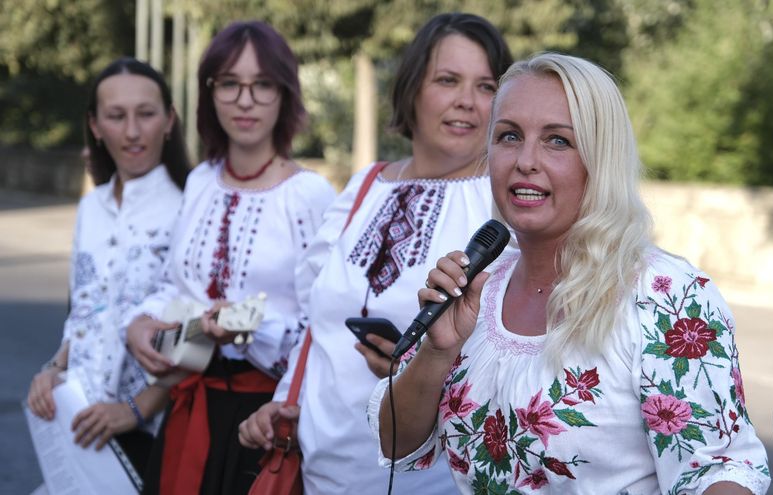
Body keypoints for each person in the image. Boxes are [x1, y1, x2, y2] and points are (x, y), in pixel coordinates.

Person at [370, 53, 772, 494]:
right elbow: (396, 444)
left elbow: (720, 472)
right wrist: (436, 352)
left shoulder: (666, 296)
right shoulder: (477, 288)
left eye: (558, 141)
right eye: (509, 136)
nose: (526, 160)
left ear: (600, 158)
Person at [238, 12, 513, 494]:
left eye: (486, 86)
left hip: (430, 481)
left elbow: (519, 356)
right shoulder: (365, 185)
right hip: (321, 470)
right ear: (411, 89)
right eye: (447, 80)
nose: (467, 101)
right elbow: (316, 321)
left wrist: (421, 372)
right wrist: (286, 401)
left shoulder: (503, 204)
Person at [124, 21, 336, 495]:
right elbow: (176, 286)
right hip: (188, 406)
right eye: (230, 84)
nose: (245, 100)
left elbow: (324, 326)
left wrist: (248, 326)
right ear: (210, 92)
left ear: (284, 94)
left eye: (262, 84)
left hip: (263, 421)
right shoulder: (201, 180)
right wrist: (140, 321)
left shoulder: (308, 195)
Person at [26, 57, 190, 479]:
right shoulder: (90, 208)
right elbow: (84, 309)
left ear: (169, 121)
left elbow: (197, 329)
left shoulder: (191, 206)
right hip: (79, 424)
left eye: (146, 114)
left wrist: (136, 409)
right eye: (116, 116)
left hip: (155, 435)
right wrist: (53, 369)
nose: (132, 131)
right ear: (95, 126)